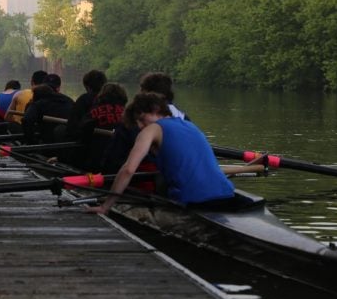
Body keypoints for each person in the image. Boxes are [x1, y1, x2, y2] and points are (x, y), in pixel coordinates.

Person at [87, 92, 235, 215]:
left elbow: (128, 169)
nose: (139, 126)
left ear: (156, 110)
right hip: (227, 193)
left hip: (194, 200)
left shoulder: (152, 129)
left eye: (141, 119)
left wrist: (106, 206)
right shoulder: (190, 125)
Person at [21, 75, 74, 144]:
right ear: (58, 88)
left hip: (48, 144)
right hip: (69, 143)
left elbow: (26, 120)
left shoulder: (38, 103)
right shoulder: (69, 100)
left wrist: (31, 142)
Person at [64, 70, 107, 141]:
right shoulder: (116, 99)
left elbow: (72, 127)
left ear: (87, 87)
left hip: (90, 144)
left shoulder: (84, 99)